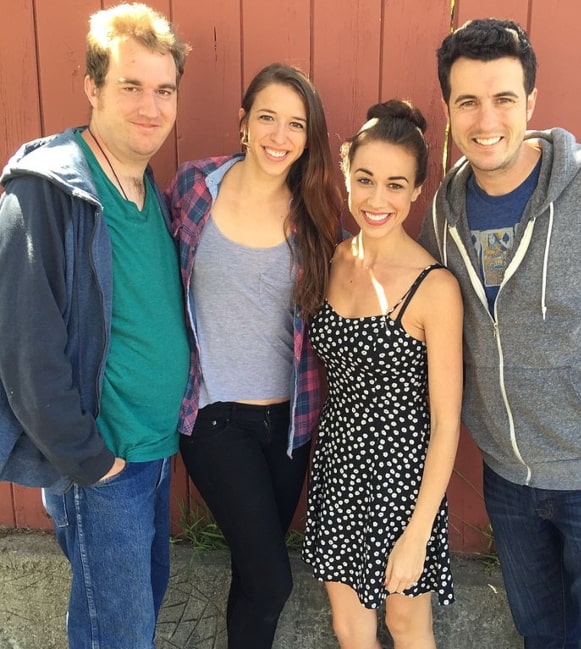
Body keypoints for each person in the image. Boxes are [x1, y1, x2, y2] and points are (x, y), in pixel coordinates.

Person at [418, 18, 581, 649]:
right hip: (510, 483)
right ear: (447, 109)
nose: (485, 119)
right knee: (542, 638)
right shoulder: (445, 210)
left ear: (532, 103)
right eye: (467, 101)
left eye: (503, 99)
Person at [0, 4, 191, 648]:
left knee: (134, 622)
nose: (150, 106)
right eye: (130, 86)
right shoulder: (48, 190)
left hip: (155, 454)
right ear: (92, 87)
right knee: (117, 638)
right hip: (104, 464)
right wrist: (88, 458)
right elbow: (26, 348)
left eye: (163, 90)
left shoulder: (147, 188)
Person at [165, 63, 341, 649]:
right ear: (243, 123)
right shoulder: (194, 188)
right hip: (215, 418)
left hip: (290, 425)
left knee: (252, 571)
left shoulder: (314, 216)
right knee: (271, 578)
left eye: (296, 124)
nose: (279, 135)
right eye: (267, 117)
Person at [302, 100, 463, 649]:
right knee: (349, 629)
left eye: (396, 185)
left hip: (402, 484)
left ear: (418, 190)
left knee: (406, 626)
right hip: (336, 468)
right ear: (345, 174)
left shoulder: (434, 287)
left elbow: (445, 422)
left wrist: (418, 533)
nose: (377, 199)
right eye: (365, 179)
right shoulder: (332, 260)